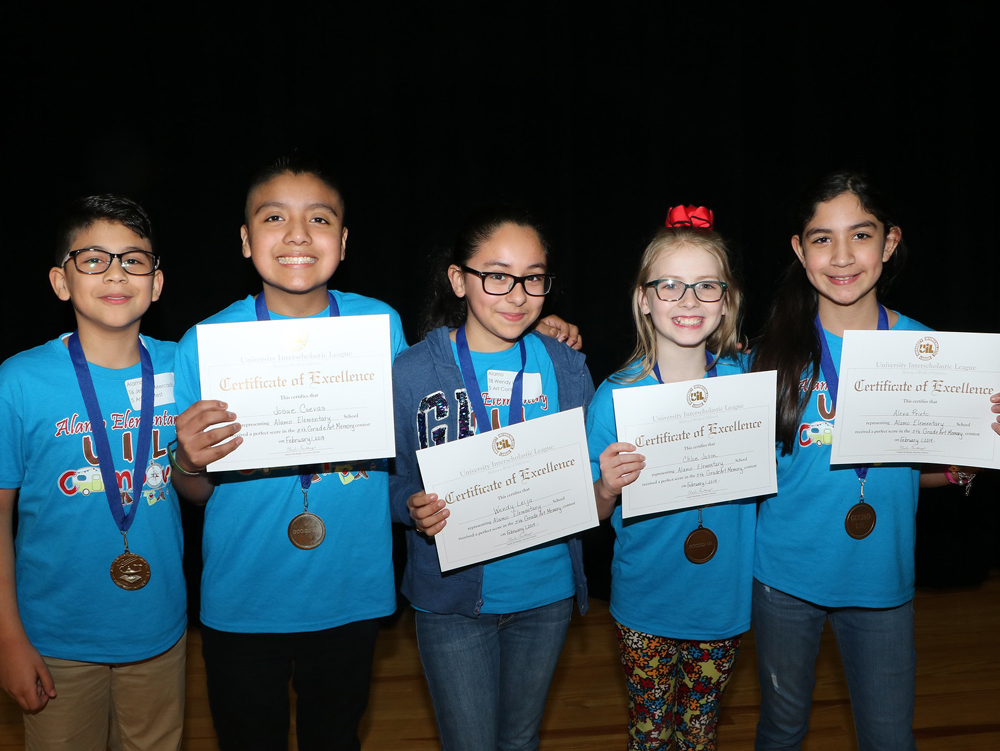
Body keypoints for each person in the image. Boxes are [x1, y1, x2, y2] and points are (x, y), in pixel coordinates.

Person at [749, 170, 998, 750]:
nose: (841, 256)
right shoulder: (765, 354)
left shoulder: (930, 353)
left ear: (888, 243)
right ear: (799, 250)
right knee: (781, 731)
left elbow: (912, 469)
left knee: (888, 738)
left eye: (860, 236)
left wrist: (973, 456)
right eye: (821, 238)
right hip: (783, 579)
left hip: (881, 580)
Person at [390, 205, 593, 751]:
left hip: (546, 592)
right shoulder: (411, 371)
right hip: (453, 601)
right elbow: (390, 479)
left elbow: (589, 471)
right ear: (459, 279)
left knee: (521, 738)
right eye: (497, 275)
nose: (518, 294)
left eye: (533, 278)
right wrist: (410, 506)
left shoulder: (567, 364)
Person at [0, 195, 185, 750]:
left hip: (159, 631)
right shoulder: (19, 382)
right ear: (61, 281)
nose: (115, 273)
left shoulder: (186, 365)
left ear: (156, 282)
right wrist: (8, 640)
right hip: (54, 637)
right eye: (94, 259)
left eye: (134, 259)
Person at [586, 206, 756, 750]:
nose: (688, 301)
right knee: (650, 734)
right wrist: (608, 487)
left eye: (707, 286)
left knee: (699, 734)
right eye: (671, 286)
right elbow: (590, 512)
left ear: (726, 300)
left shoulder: (748, 382)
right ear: (643, 298)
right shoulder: (613, 395)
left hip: (722, 603)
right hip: (645, 602)